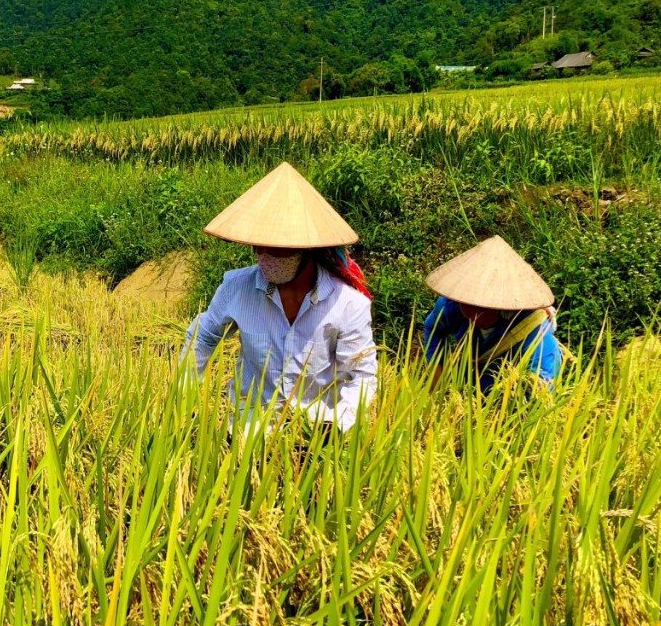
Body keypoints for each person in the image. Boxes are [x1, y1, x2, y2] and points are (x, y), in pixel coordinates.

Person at [184, 162, 378, 434]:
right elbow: (202, 338)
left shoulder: (347, 304)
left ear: (307, 249)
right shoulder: (236, 287)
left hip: (315, 434)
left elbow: (360, 376)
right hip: (247, 431)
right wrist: (185, 397)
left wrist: (338, 425)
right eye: (258, 246)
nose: (264, 256)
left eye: (277, 249)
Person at [422, 235, 561, 392]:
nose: (472, 315)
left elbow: (538, 392)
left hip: (510, 384)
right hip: (472, 373)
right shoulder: (450, 306)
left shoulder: (533, 330)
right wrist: (436, 371)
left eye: (481, 308)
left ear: (502, 306)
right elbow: (433, 328)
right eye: (467, 305)